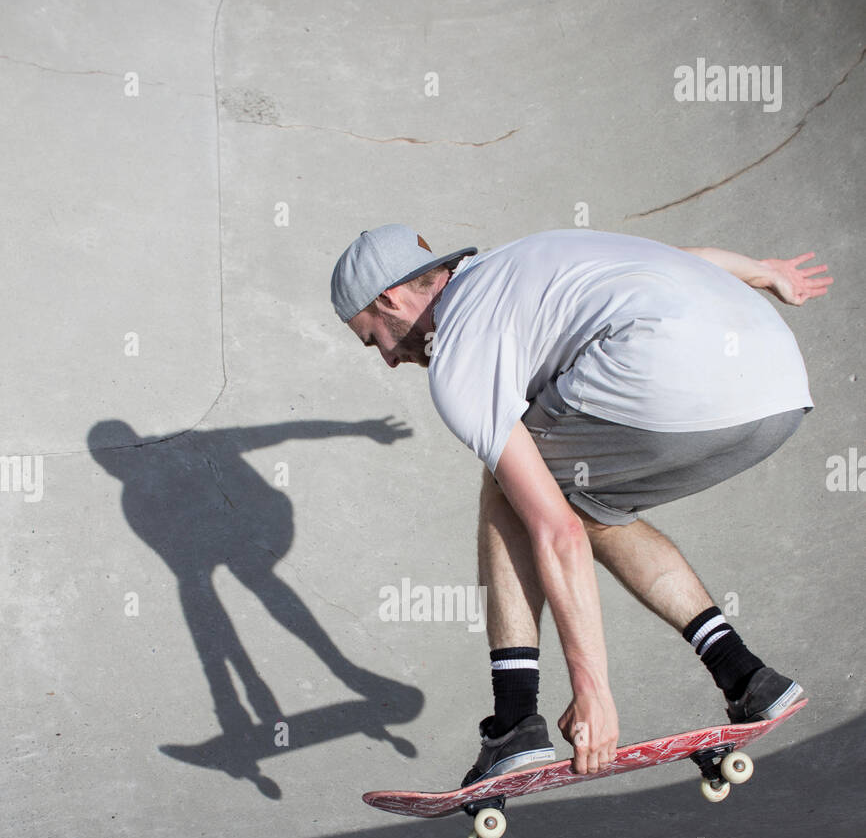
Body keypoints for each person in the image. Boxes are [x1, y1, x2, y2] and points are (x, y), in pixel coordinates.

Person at [330, 225, 832, 785]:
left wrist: (593, 693)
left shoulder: (457, 352)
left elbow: (558, 534)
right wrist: (764, 271)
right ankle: (745, 676)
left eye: (374, 339)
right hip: (778, 389)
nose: (391, 362)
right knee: (593, 504)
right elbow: (675, 258)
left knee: (512, 486)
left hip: (668, 381)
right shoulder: (524, 258)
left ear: (389, 299)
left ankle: (516, 721)